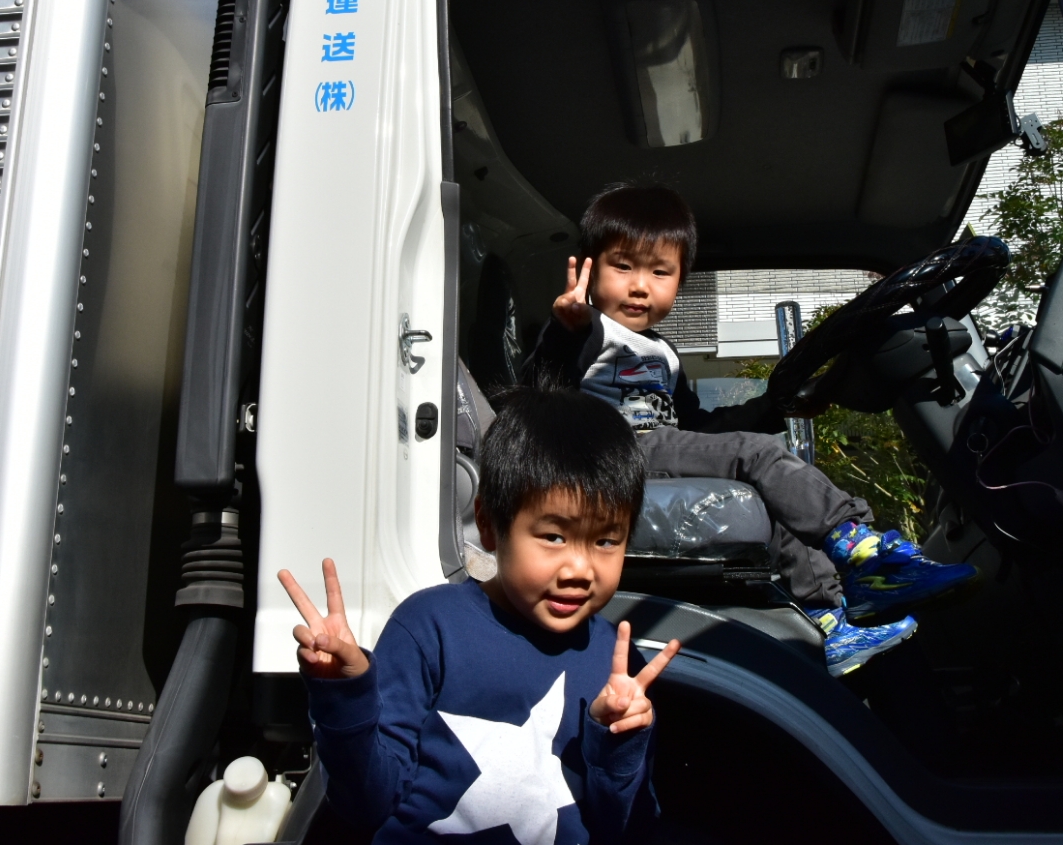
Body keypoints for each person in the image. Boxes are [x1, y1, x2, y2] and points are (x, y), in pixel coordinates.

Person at [523, 183, 980, 676]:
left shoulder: (665, 352)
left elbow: (695, 430)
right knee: (757, 456)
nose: (640, 286)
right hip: (608, 454)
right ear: (589, 268)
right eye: (623, 266)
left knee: (769, 487)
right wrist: (562, 331)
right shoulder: (588, 329)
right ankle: (860, 547)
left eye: (660, 272)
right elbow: (540, 387)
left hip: (658, 453)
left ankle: (829, 616)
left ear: (680, 280)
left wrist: (770, 409)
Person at [277, 386, 681, 844]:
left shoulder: (620, 669)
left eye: (606, 541)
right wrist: (344, 695)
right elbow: (364, 803)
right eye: (553, 536)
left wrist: (617, 741)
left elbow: (624, 828)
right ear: (488, 524)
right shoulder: (429, 626)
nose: (580, 570)